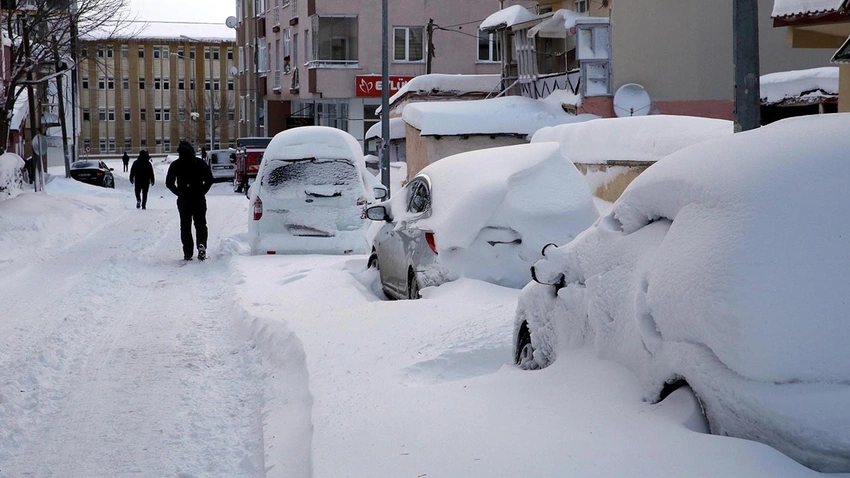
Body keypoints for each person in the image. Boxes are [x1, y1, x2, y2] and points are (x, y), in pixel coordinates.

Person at [166, 141, 214, 261]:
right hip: (198, 198)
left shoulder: (176, 165)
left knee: (185, 225)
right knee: (201, 224)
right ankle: (201, 244)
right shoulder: (199, 163)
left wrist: (179, 192)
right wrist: (202, 191)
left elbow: (169, 183)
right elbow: (209, 179)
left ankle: (188, 252)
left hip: (184, 200)